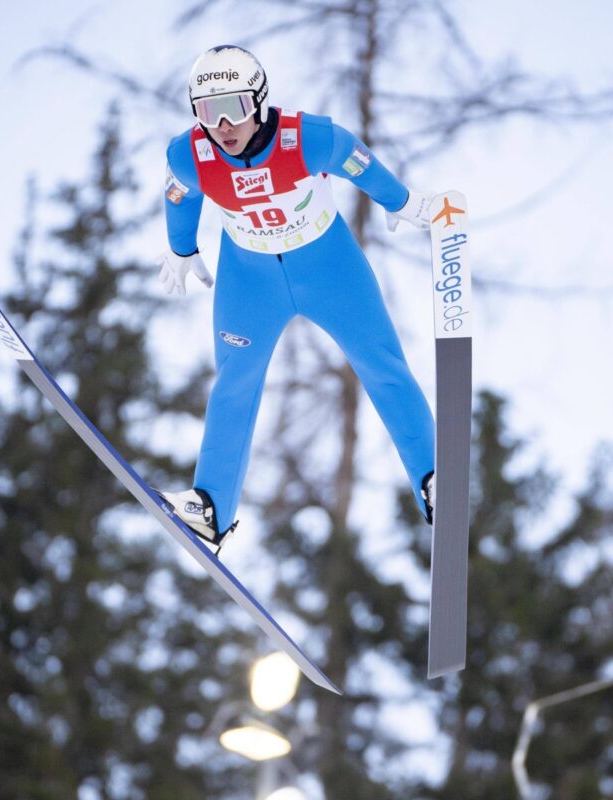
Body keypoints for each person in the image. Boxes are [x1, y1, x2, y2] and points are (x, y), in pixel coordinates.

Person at [158, 44, 442, 548]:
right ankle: (210, 507)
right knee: (234, 381)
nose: (223, 125)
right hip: (250, 281)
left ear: (260, 102)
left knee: (381, 364)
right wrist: (181, 249)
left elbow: (363, 167)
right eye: (207, 112)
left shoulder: (309, 139)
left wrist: (405, 203)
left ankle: (433, 479)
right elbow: (178, 193)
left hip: (329, 269)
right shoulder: (189, 154)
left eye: (234, 108)